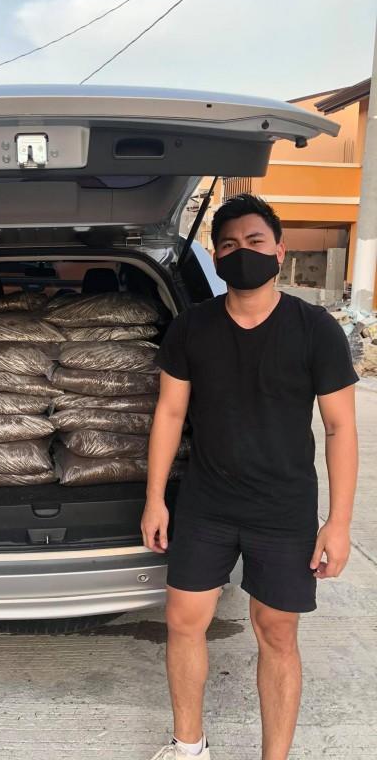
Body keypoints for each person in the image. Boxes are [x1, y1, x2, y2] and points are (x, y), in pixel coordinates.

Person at [142, 194, 359, 760]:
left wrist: (338, 523)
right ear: (216, 257)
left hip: (283, 509)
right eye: (230, 244)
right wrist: (155, 498)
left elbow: (340, 429)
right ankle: (188, 746)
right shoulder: (192, 328)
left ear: (280, 251)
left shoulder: (316, 330)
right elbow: (169, 413)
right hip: (206, 503)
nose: (243, 252)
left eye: (255, 241)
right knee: (183, 620)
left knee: (277, 631)